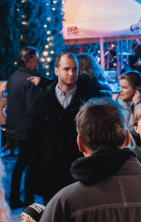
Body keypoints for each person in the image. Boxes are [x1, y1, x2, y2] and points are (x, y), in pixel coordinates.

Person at [29, 53, 104, 200]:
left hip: (79, 172)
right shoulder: (42, 99)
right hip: (50, 173)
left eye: (75, 69)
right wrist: (36, 168)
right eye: (66, 69)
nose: (71, 73)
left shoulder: (89, 98)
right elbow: (33, 136)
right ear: (56, 71)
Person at [6, 48, 43, 207]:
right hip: (27, 129)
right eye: (36, 59)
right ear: (27, 61)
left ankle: (14, 196)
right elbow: (31, 109)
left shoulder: (13, 77)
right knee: (30, 163)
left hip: (15, 127)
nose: (39, 62)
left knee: (21, 162)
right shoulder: (29, 80)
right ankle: (28, 199)